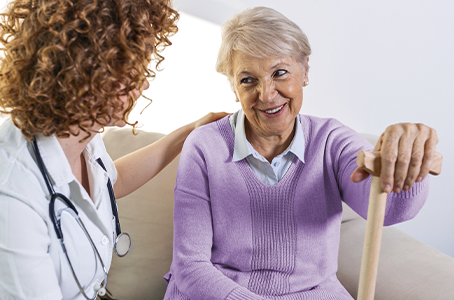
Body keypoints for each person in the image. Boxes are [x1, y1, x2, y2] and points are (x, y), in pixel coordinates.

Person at [0, 0, 227, 299]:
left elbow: (110, 182)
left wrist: (187, 133)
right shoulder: (0, 197)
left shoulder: (78, 133)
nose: (143, 85)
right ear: (88, 74)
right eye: (133, 68)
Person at [163, 6, 439, 300]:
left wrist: (409, 160)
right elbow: (190, 268)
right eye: (247, 80)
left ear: (304, 70)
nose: (267, 94)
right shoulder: (205, 146)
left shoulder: (331, 141)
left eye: (279, 73)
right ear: (233, 87)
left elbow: (391, 209)